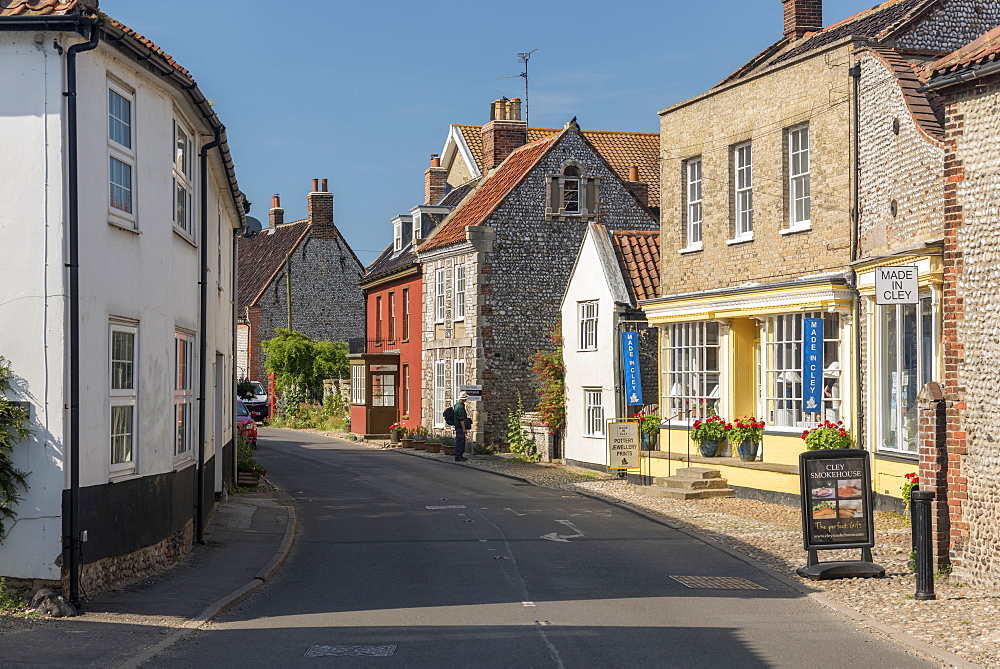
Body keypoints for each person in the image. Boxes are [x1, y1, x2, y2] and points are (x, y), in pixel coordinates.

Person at [453, 392, 469, 462]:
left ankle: (459, 456)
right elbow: (461, 419)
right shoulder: (461, 407)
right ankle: (458, 456)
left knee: (459, 441)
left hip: (457, 426)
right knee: (460, 442)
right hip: (460, 427)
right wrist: (464, 428)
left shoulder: (456, 405)